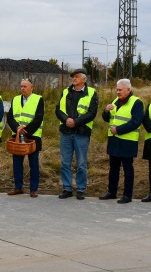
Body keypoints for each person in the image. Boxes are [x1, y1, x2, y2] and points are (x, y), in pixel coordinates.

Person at [55, 68, 98, 200]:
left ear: (84, 79)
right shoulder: (66, 92)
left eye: (77, 76)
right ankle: (67, 188)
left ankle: (80, 189)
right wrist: (66, 120)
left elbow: (92, 113)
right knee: (65, 162)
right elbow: (58, 109)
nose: (74, 78)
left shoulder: (92, 93)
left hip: (82, 133)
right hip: (66, 132)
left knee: (81, 163)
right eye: (73, 77)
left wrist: (76, 122)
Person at [99, 79, 144, 204]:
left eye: (120, 90)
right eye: (117, 90)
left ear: (128, 90)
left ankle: (127, 195)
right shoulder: (115, 101)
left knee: (127, 169)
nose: (118, 92)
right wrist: (105, 111)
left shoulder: (137, 103)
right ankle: (111, 192)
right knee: (113, 168)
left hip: (127, 141)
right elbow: (108, 119)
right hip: (114, 140)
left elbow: (136, 122)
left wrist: (118, 130)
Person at [6, 78, 44, 198]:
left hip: (33, 136)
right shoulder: (16, 99)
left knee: (34, 164)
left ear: (31, 88)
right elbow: (10, 117)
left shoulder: (38, 99)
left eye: (25, 86)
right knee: (17, 163)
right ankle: (18, 187)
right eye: (21, 86)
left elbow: (38, 118)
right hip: (17, 136)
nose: (22, 88)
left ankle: (33, 189)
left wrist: (26, 131)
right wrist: (17, 128)